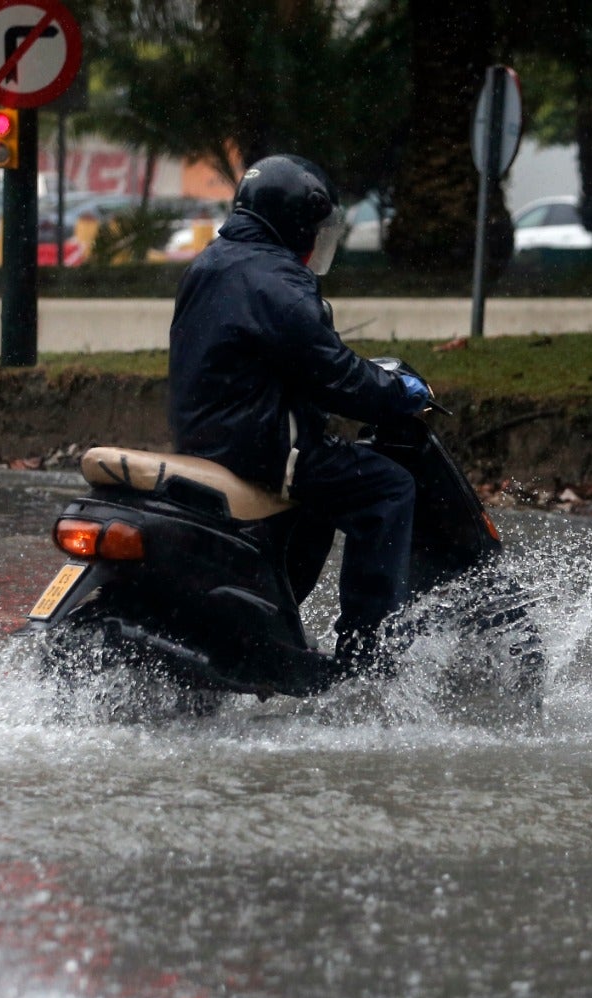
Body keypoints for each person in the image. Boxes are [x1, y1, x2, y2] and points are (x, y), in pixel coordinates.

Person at [168, 153, 433, 674]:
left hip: (208, 440)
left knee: (319, 501)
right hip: (262, 449)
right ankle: (367, 659)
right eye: (317, 226)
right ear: (296, 222)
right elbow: (338, 377)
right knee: (387, 488)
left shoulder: (213, 262)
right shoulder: (278, 284)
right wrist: (399, 391)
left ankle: (274, 634)